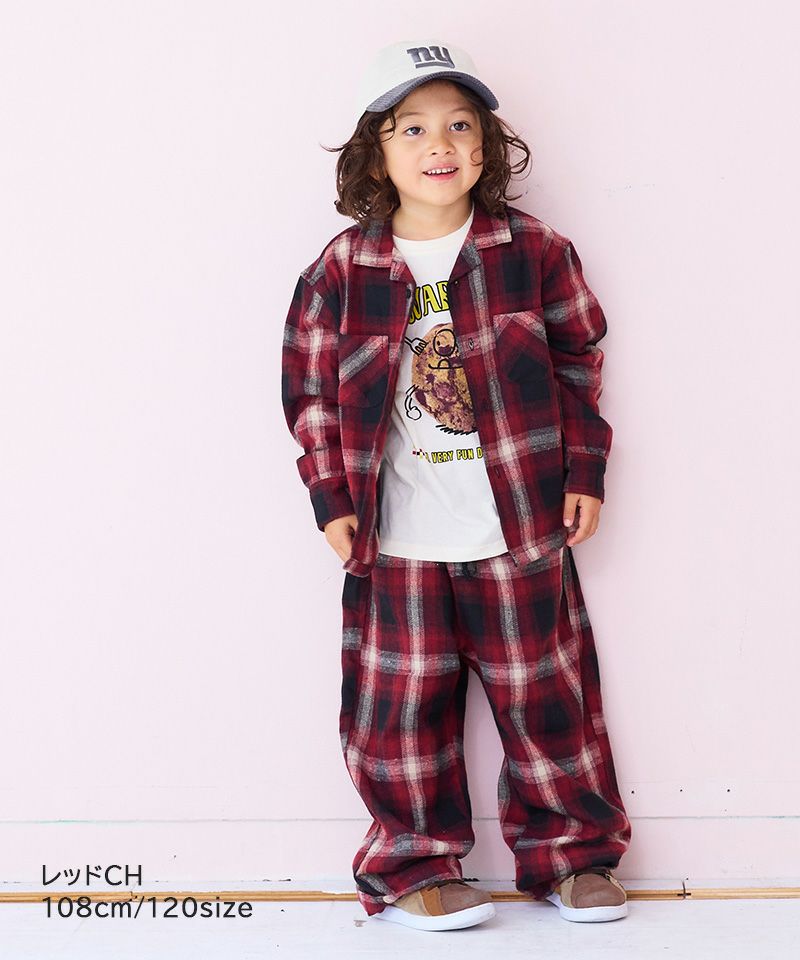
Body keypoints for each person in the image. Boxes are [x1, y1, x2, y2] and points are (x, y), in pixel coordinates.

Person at [281, 38, 632, 932]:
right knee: (399, 714)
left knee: (546, 699)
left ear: (486, 146)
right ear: (376, 153)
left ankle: (573, 858)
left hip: (518, 524)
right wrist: (331, 497)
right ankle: (414, 867)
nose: (440, 144)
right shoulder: (342, 269)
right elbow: (311, 393)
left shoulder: (533, 251)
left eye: (461, 125)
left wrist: (585, 468)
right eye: (412, 128)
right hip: (395, 535)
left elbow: (579, 362)